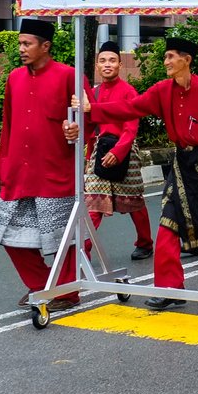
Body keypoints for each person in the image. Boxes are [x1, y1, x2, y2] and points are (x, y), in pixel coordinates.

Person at [74, 37, 198, 309]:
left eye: (171, 56)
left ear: (187, 60)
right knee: (167, 225)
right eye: (165, 57)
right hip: (181, 165)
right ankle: (170, 288)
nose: (166, 62)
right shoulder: (162, 90)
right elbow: (131, 108)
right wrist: (94, 110)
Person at [0, 19, 89, 311]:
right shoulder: (14, 78)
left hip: (55, 168)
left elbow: (89, 115)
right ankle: (44, 286)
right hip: (19, 169)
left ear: (46, 46)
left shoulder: (69, 76)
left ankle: (67, 292)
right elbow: (8, 124)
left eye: (27, 43)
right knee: (9, 235)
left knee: (62, 237)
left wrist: (77, 129)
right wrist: (0, 164)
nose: (21, 49)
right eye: (20, 43)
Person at [83, 41, 153, 261]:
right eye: (102, 61)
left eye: (112, 60)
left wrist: (119, 151)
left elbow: (131, 127)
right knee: (92, 202)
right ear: (96, 66)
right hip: (100, 152)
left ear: (120, 65)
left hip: (125, 151)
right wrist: (88, 157)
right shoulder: (93, 92)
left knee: (134, 202)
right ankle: (83, 250)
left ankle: (145, 243)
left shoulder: (129, 91)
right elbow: (93, 129)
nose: (107, 65)